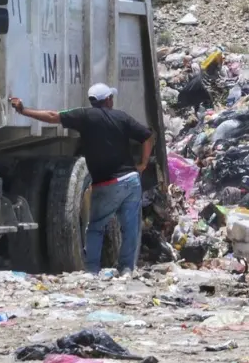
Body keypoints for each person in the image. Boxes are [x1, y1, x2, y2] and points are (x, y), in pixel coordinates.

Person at [9, 83, 154, 275]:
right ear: (108, 99)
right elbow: (147, 136)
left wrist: (23, 110)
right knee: (130, 228)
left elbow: (53, 116)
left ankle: (92, 270)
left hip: (106, 184)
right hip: (129, 180)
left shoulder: (84, 116)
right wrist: (143, 164)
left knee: (95, 227)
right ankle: (126, 268)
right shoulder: (122, 117)